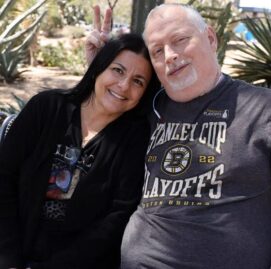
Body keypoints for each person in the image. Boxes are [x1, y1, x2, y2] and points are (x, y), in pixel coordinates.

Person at [86, 3, 271, 269]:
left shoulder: (267, 109)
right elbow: (94, 117)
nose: (170, 55)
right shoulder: (146, 105)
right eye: (157, 51)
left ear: (210, 38)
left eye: (180, 40)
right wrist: (102, 65)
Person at [0, 33, 159, 269]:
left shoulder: (135, 140)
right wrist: (9, 259)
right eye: (117, 70)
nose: (124, 85)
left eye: (138, 81)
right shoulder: (46, 108)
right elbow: (4, 177)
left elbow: (117, 218)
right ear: (98, 68)